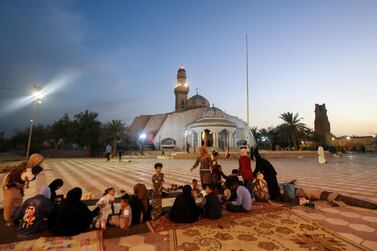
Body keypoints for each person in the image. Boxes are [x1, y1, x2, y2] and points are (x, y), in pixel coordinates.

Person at [2, 153, 44, 227]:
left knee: (18, 202)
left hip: (18, 186)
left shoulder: (30, 168)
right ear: (34, 161)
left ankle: (16, 217)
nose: (40, 164)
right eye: (39, 162)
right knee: (9, 203)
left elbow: (28, 178)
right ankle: (8, 220)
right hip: (10, 184)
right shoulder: (25, 168)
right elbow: (22, 177)